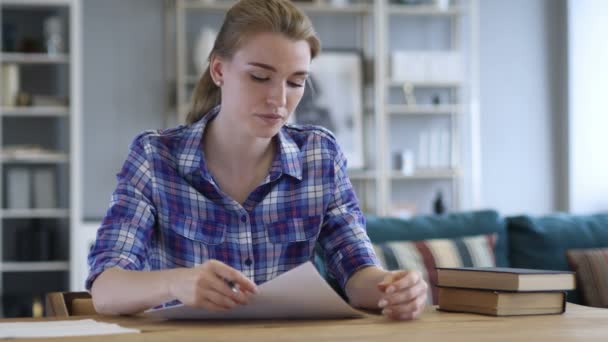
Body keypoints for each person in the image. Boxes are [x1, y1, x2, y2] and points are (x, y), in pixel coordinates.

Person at [87, 0, 427, 321]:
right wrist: (176, 282)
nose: (279, 100)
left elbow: (356, 273)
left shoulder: (319, 155)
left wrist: (393, 288)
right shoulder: (155, 157)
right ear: (219, 70)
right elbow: (106, 288)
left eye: (296, 82)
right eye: (260, 77)